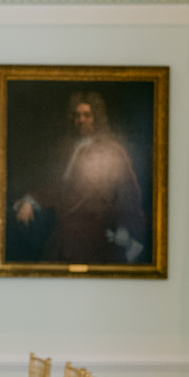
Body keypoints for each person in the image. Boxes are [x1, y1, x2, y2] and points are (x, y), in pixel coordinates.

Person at [12, 91, 146, 266]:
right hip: (66, 234)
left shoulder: (112, 151)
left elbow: (128, 194)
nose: (81, 120)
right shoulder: (68, 150)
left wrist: (123, 228)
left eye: (87, 115)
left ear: (96, 118)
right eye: (77, 116)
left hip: (98, 238)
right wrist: (30, 200)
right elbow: (59, 190)